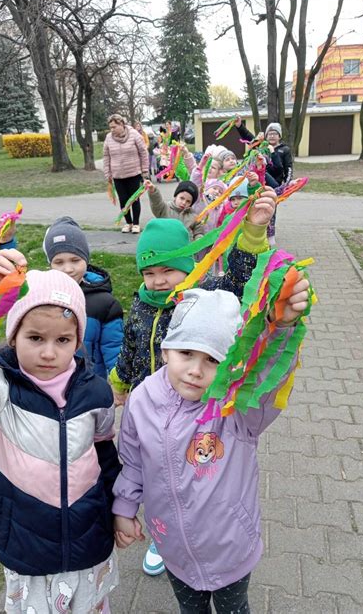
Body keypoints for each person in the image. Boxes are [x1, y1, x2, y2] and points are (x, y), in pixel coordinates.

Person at [0, 251, 121, 613]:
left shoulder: (94, 390)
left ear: (77, 341)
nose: (49, 353)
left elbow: (105, 454)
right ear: (14, 336)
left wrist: (119, 509)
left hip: (89, 543)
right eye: (35, 337)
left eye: (63, 340)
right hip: (25, 550)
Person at [112, 283, 310, 614]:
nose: (195, 370)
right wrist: (124, 508)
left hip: (229, 548)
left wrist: (283, 329)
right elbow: (132, 461)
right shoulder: (141, 399)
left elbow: (267, 381)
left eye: (212, 359)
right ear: (166, 350)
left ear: (231, 366)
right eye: (186, 353)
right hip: (173, 548)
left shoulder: (236, 408)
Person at [109, 188, 276, 576]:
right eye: (149, 273)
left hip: (197, 411)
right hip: (149, 409)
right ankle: (164, 536)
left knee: (191, 476)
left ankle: (201, 535)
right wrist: (120, 379)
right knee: (156, 473)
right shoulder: (140, 303)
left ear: (189, 268)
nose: (158, 281)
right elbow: (132, 344)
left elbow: (239, 280)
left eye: (168, 270)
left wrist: (251, 233)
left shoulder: (203, 298)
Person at [43, 216, 124, 380]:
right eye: (59, 262)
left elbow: (113, 348)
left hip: (89, 383)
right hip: (49, 379)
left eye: (75, 260)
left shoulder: (104, 303)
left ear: (86, 260)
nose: (68, 269)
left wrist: (118, 383)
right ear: (50, 264)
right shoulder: (41, 298)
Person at [103, 113, 149, 234]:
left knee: (134, 200)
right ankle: (128, 223)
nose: (112, 130)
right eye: (110, 127)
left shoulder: (134, 135)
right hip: (118, 175)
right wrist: (107, 174)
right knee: (123, 200)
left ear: (122, 124)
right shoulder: (108, 138)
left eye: (114, 127)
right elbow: (106, 156)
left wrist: (145, 171)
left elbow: (143, 152)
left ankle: (136, 223)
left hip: (134, 174)